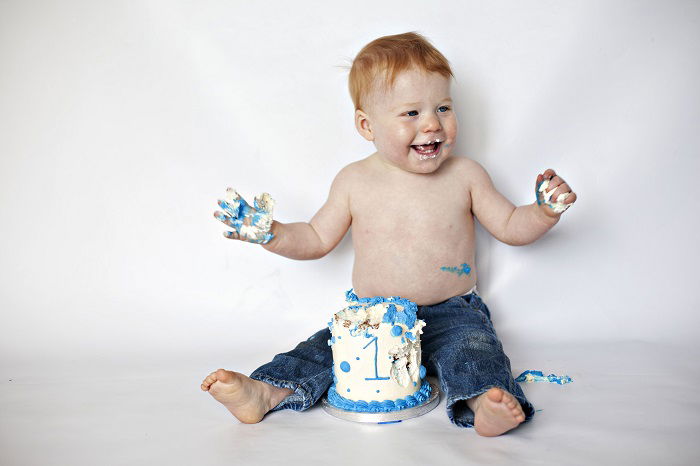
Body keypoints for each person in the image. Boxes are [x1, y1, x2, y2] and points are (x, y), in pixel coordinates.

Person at [200, 32, 576, 436]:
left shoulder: (465, 175)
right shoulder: (354, 181)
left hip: (453, 312)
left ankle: (486, 401)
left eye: (443, 107)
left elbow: (509, 227)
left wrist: (542, 211)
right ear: (367, 125)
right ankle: (266, 390)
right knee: (319, 351)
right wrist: (270, 233)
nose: (433, 123)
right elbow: (314, 238)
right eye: (411, 113)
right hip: (373, 316)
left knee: (474, 353)